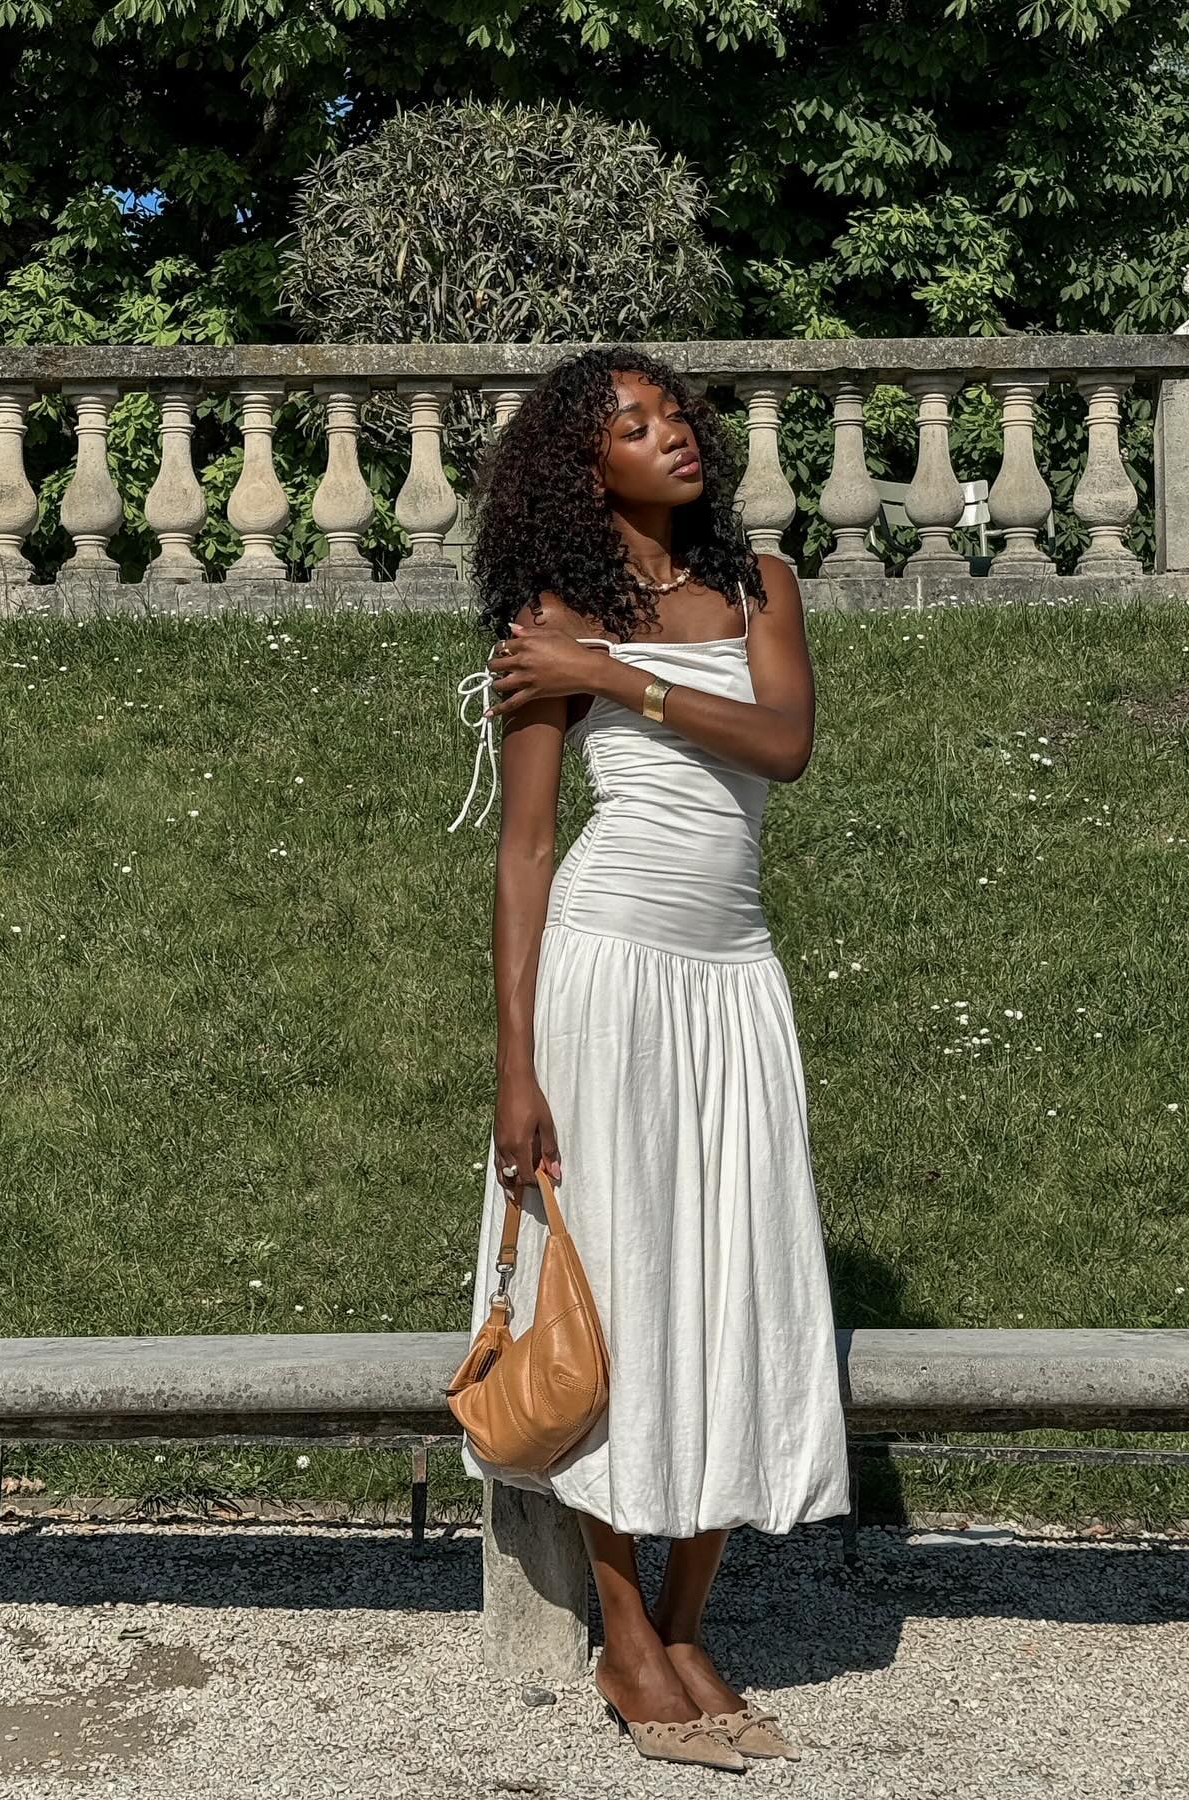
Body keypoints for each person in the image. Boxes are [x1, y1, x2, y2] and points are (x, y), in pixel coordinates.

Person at [448, 345, 851, 1770]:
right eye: (630, 423)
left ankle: (691, 1622)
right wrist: (515, 1067)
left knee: (740, 1278)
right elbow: (527, 851)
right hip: (605, 981)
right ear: (581, 467)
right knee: (617, 1295)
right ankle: (627, 1638)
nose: (669, 432)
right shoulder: (543, 612)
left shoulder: (762, 589)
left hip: (737, 982)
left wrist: (611, 671)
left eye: (673, 411)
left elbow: (784, 743)